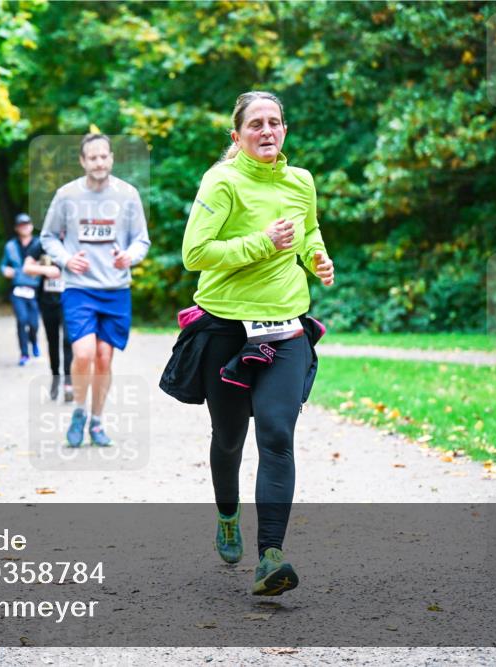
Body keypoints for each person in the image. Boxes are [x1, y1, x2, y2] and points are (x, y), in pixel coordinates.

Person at [160, 91, 335, 596]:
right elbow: (195, 253)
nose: (267, 130)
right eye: (255, 124)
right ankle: (227, 514)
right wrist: (263, 241)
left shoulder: (301, 181)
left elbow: (309, 231)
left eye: (275, 122)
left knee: (277, 435)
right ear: (236, 136)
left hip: (285, 325)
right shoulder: (222, 181)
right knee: (230, 437)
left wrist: (316, 256)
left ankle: (271, 557)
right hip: (226, 330)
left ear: (285, 130)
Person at [41, 133, 150, 447]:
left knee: (104, 358)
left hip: (116, 289)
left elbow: (141, 239)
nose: (99, 162)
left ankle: (97, 421)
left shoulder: (128, 195)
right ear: (82, 161)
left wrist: (130, 256)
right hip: (79, 287)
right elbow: (48, 237)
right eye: (92, 157)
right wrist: (65, 259)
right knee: (84, 353)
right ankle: (78, 411)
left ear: (111, 158)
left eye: (104, 156)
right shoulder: (66, 196)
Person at [23, 231, 74, 402]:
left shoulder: (75, 240)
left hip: (71, 300)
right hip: (48, 300)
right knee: (52, 341)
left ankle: (69, 381)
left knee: (68, 339)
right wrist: (46, 269)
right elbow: (27, 267)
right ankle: (55, 376)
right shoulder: (43, 243)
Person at [0, 213, 42, 366]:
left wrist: (40, 268)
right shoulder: (10, 246)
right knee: (21, 320)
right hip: (17, 288)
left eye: (27, 224)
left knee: (34, 323)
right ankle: (24, 354)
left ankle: (34, 341)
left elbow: (47, 263)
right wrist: (5, 270)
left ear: (31, 226)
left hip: (35, 289)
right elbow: (3, 265)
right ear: (17, 228)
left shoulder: (39, 244)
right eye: (21, 225)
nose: (24, 227)